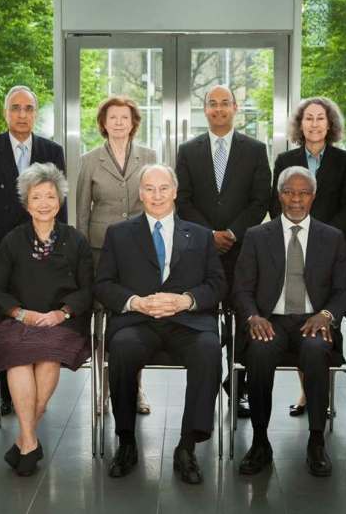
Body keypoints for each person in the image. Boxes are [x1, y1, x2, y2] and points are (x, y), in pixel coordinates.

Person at [94, 164, 226, 485]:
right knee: (122, 348)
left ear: (175, 192)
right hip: (138, 321)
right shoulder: (118, 233)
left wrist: (186, 300)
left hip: (188, 322)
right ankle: (126, 441)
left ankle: (187, 445)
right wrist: (135, 302)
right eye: (149, 189)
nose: (156, 195)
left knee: (209, 349)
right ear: (140, 193)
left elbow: (218, 284)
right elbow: (103, 284)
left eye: (163, 188)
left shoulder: (200, 235)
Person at [0, 163, 92, 476]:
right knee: (18, 356)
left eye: (50, 196)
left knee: (49, 355)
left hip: (62, 321)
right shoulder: (12, 240)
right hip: (16, 318)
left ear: (59, 201)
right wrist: (20, 313)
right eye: (37, 197)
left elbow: (88, 289)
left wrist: (61, 313)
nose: (44, 202)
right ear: (27, 204)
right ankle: (30, 441)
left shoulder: (76, 241)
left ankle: (25, 440)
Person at [233, 166, 346, 477]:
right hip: (270, 320)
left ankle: (315, 441)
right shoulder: (257, 236)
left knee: (315, 350)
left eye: (303, 193)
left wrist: (325, 315)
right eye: (288, 192)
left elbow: (342, 293)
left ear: (313, 197)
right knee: (259, 351)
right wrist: (253, 316)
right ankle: (260, 441)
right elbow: (241, 289)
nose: (295, 199)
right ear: (279, 195)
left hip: (313, 320)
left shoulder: (332, 237)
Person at [0, 85, 67, 417]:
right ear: (5, 112)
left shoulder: (52, 150)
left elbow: (60, 203)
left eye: (28, 108)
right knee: (4, 316)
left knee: (36, 312)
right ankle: (5, 392)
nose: (22, 114)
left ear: (36, 113)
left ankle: (35, 382)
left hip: (41, 249)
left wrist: (59, 246)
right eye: (15, 108)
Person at [176, 84, 271, 418]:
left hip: (242, 251)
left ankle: (238, 385)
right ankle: (205, 382)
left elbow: (261, 200)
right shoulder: (187, 151)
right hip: (199, 252)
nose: (218, 109)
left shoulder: (255, 149)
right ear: (205, 110)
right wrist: (209, 235)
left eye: (225, 103)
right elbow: (182, 199)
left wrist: (231, 232)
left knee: (242, 317)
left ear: (235, 107)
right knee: (203, 319)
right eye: (212, 104)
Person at [269, 96, 346, 419]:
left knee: (323, 314)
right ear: (300, 124)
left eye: (321, 118)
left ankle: (323, 394)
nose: (315, 124)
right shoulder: (285, 159)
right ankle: (307, 393)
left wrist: (319, 237)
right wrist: (298, 230)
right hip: (291, 244)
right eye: (309, 118)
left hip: (331, 249)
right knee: (297, 311)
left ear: (330, 124)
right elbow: (274, 201)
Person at [76, 95, 158, 416]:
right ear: (103, 123)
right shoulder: (89, 160)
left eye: (125, 117)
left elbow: (156, 201)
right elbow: (82, 212)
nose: (119, 123)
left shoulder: (149, 156)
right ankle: (102, 391)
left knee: (136, 318)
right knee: (103, 321)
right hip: (101, 251)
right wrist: (82, 257)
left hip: (139, 249)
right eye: (113, 118)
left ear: (134, 122)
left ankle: (136, 390)